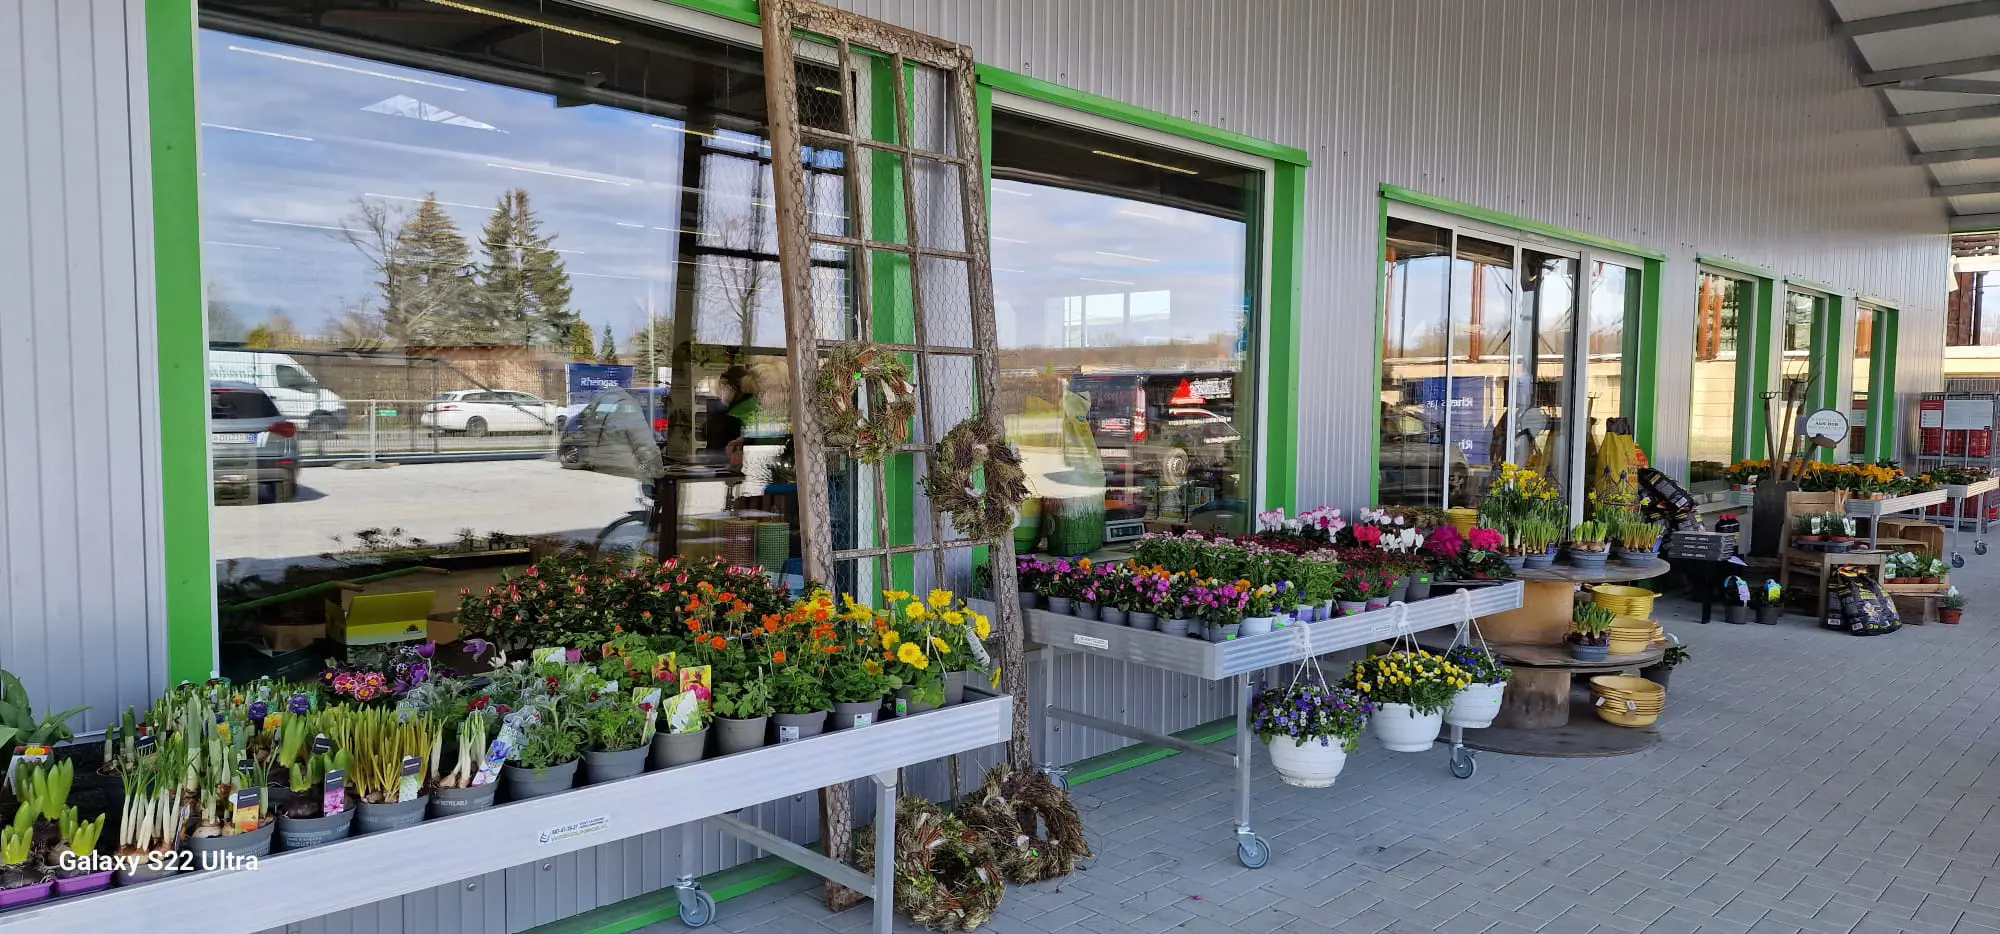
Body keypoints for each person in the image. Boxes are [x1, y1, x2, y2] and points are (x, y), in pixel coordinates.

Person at [704, 366, 757, 468]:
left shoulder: (730, 416)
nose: (719, 392)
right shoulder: (754, 403)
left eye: (722, 386)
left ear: (732, 387)